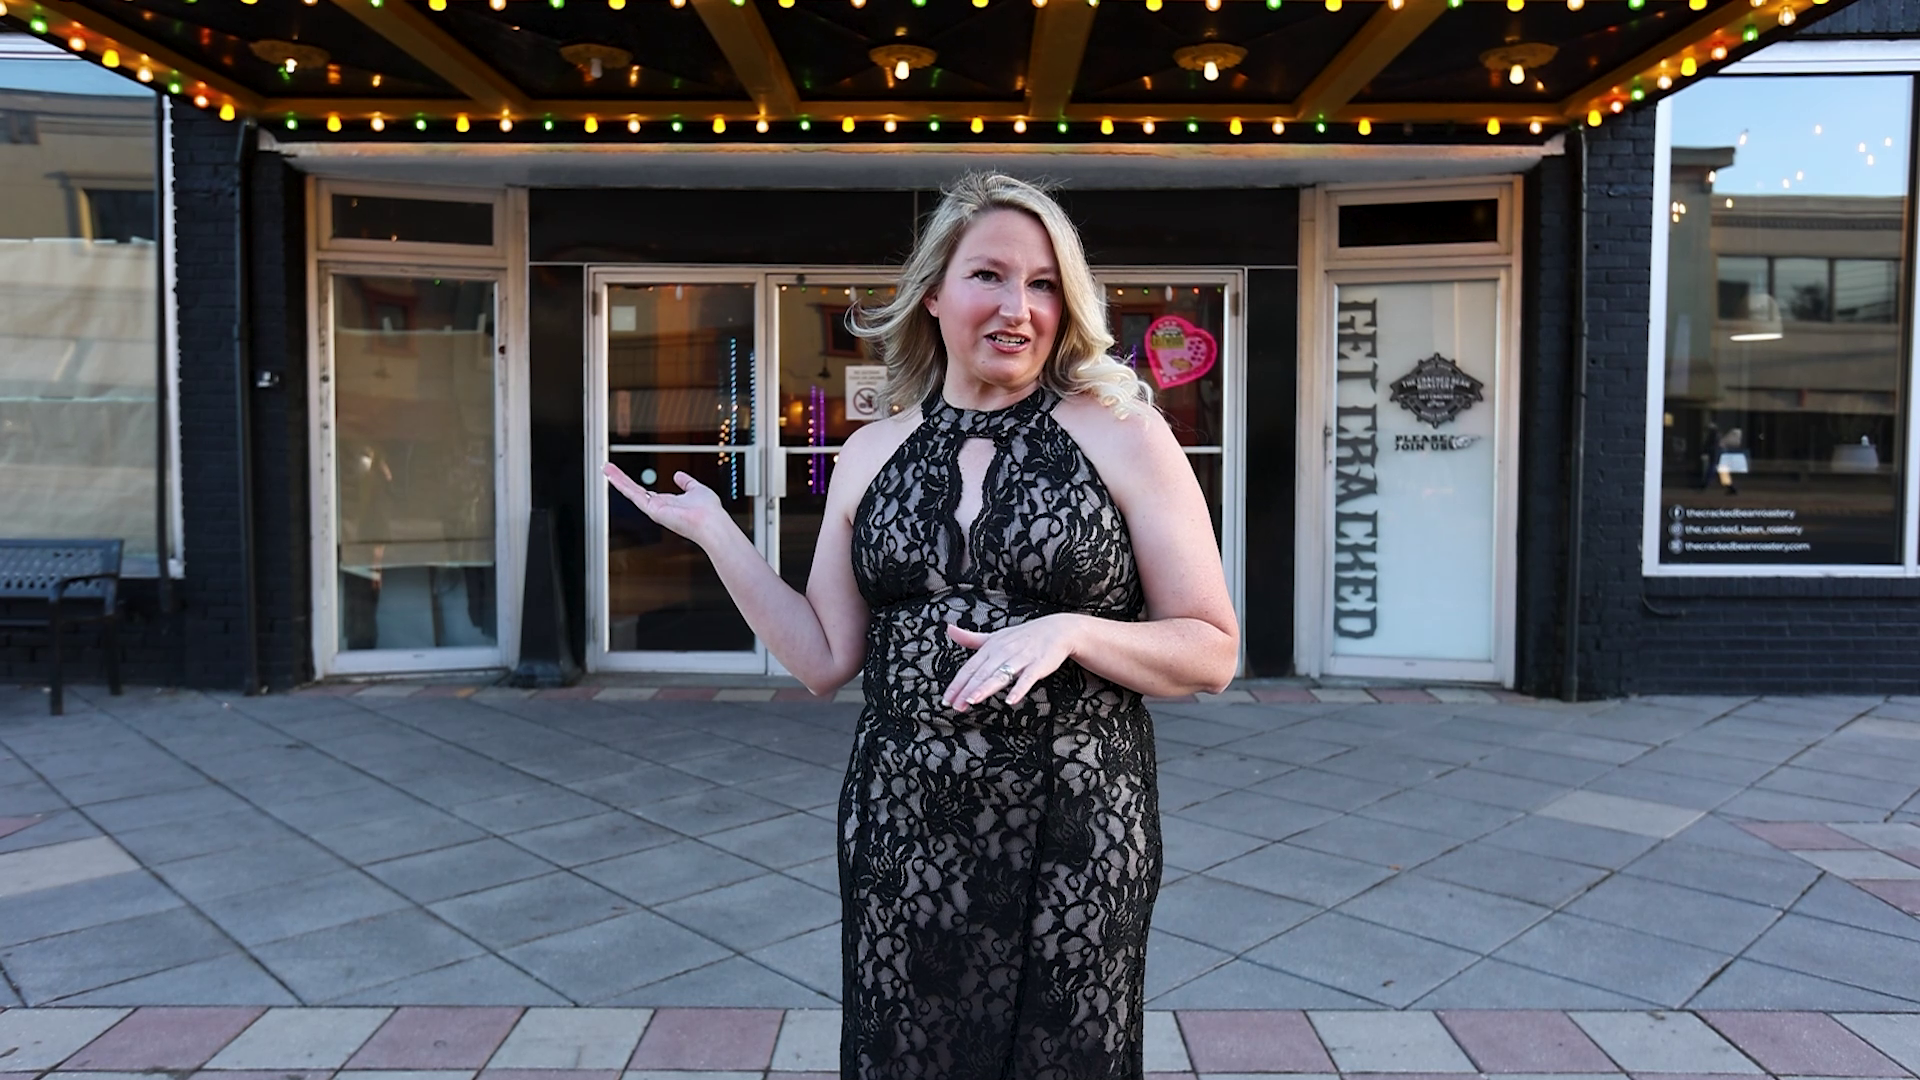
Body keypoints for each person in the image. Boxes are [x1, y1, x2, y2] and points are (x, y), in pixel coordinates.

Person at [604, 173, 1238, 1080]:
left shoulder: (1124, 433)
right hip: (906, 824)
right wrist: (716, 535)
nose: (1019, 306)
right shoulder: (870, 450)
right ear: (934, 293)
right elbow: (826, 660)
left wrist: (1069, 630)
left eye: (1046, 283)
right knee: (911, 1054)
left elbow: (1212, 650)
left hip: (1077, 825)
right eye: (990, 275)